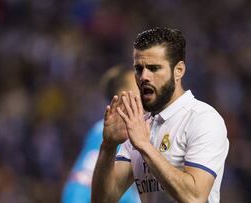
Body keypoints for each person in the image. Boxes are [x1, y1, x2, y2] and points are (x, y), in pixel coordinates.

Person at [91, 27, 229, 203]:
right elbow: (104, 200)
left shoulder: (203, 119)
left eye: (154, 68)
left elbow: (194, 197)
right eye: (139, 69)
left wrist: (144, 145)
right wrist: (108, 146)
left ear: (178, 70)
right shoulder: (138, 125)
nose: (144, 77)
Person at [61, 65, 141, 203]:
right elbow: (82, 181)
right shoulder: (104, 132)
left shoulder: (141, 129)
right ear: (123, 93)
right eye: (137, 85)